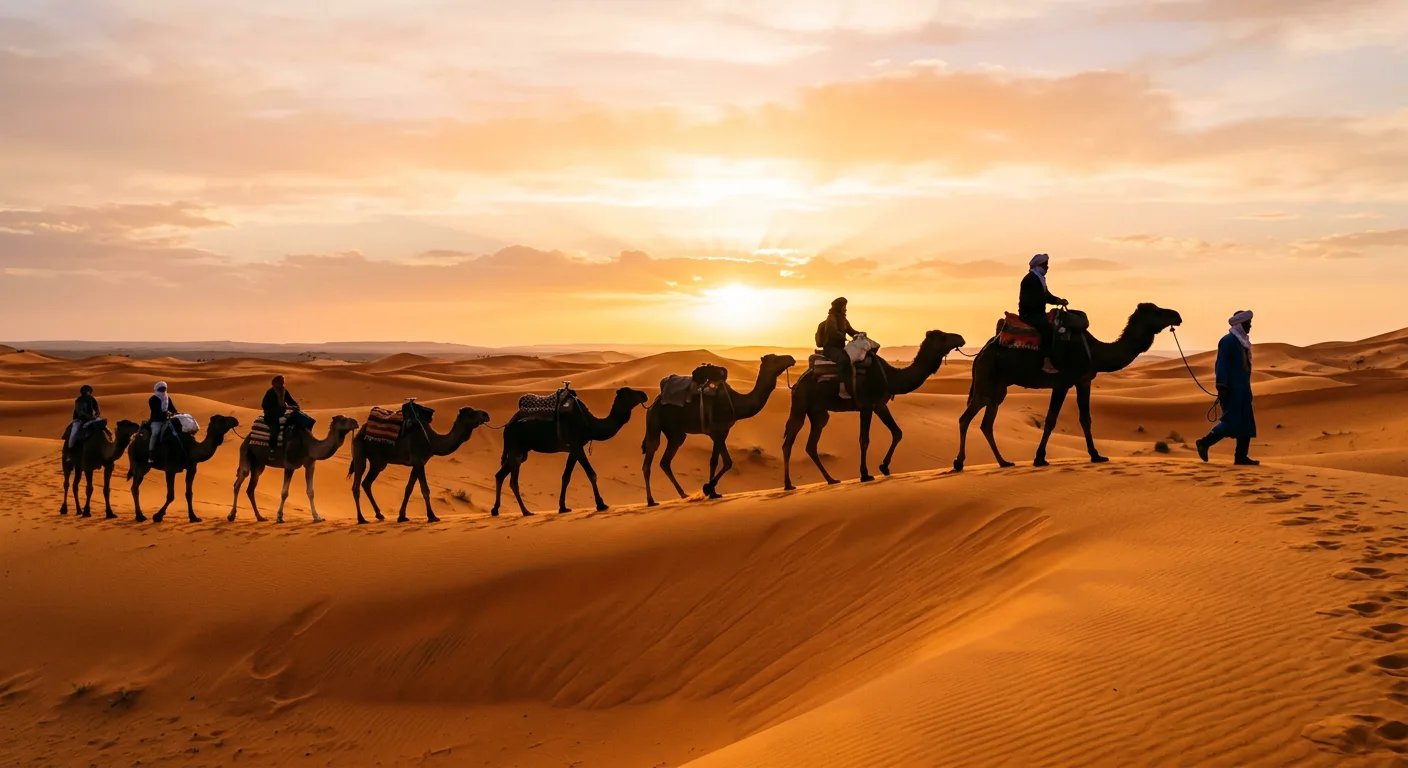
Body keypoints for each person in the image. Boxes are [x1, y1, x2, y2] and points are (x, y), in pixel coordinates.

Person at [1196, 310, 1258, 466]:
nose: (1250, 325)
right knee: (1231, 421)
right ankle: (1204, 442)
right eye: (1248, 323)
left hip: (1243, 389)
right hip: (1231, 389)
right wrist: (1222, 386)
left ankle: (1241, 457)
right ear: (1240, 323)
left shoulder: (1242, 343)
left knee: (1246, 423)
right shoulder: (1228, 341)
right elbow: (1221, 364)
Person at [1020, 253, 1068, 374]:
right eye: (1045, 265)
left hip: (1038, 313)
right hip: (1030, 315)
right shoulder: (1031, 279)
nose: (1047, 268)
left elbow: (1046, 295)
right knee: (1048, 331)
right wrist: (1053, 300)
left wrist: (1058, 300)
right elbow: (1040, 297)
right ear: (1039, 266)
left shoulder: (1039, 279)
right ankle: (1045, 361)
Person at [815, 297, 864, 398]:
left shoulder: (844, 320)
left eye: (845, 306)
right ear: (839, 307)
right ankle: (842, 389)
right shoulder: (831, 318)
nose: (845, 309)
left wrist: (860, 334)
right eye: (843, 306)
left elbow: (851, 331)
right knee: (843, 360)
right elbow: (832, 332)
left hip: (841, 348)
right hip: (830, 348)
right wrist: (844, 338)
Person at [261, 375, 314, 450]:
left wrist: (295, 406)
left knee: (300, 420)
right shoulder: (270, 392)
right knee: (275, 429)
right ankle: (272, 450)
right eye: (280, 382)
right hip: (271, 415)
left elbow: (290, 401)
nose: (281, 384)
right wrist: (283, 408)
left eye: (282, 382)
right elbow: (265, 405)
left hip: (282, 414)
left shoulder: (283, 391)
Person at [147, 381, 178, 463]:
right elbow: (156, 410)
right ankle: (151, 453)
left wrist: (176, 413)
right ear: (156, 389)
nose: (163, 390)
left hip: (167, 420)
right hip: (157, 420)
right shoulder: (153, 399)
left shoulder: (167, 398)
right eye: (161, 389)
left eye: (164, 388)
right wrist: (166, 413)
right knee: (155, 433)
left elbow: (172, 408)